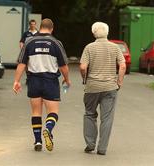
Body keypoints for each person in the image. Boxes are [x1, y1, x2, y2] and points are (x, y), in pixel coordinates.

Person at [13, 18, 71, 152]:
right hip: (50, 80)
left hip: (33, 80)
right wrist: (67, 79)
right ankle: (48, 129)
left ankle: (38, 141)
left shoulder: (29, 41)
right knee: (53, 111)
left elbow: (22, 63)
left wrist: (16, 81)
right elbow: (63, 66)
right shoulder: (56, 43)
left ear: (40, 27)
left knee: (36, 112)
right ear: (52, 28)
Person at [80, 22, 126, 155]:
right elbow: (122, 66)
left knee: (89, 114)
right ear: (107, 32)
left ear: (93, 32)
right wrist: (119, 82)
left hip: (92, 87)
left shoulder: (89, 47)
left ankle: (90, 144)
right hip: (110, 87)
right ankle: (102, 148)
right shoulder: (115, 47)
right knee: (107, 118)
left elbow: (83, 67)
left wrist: (84, 78)